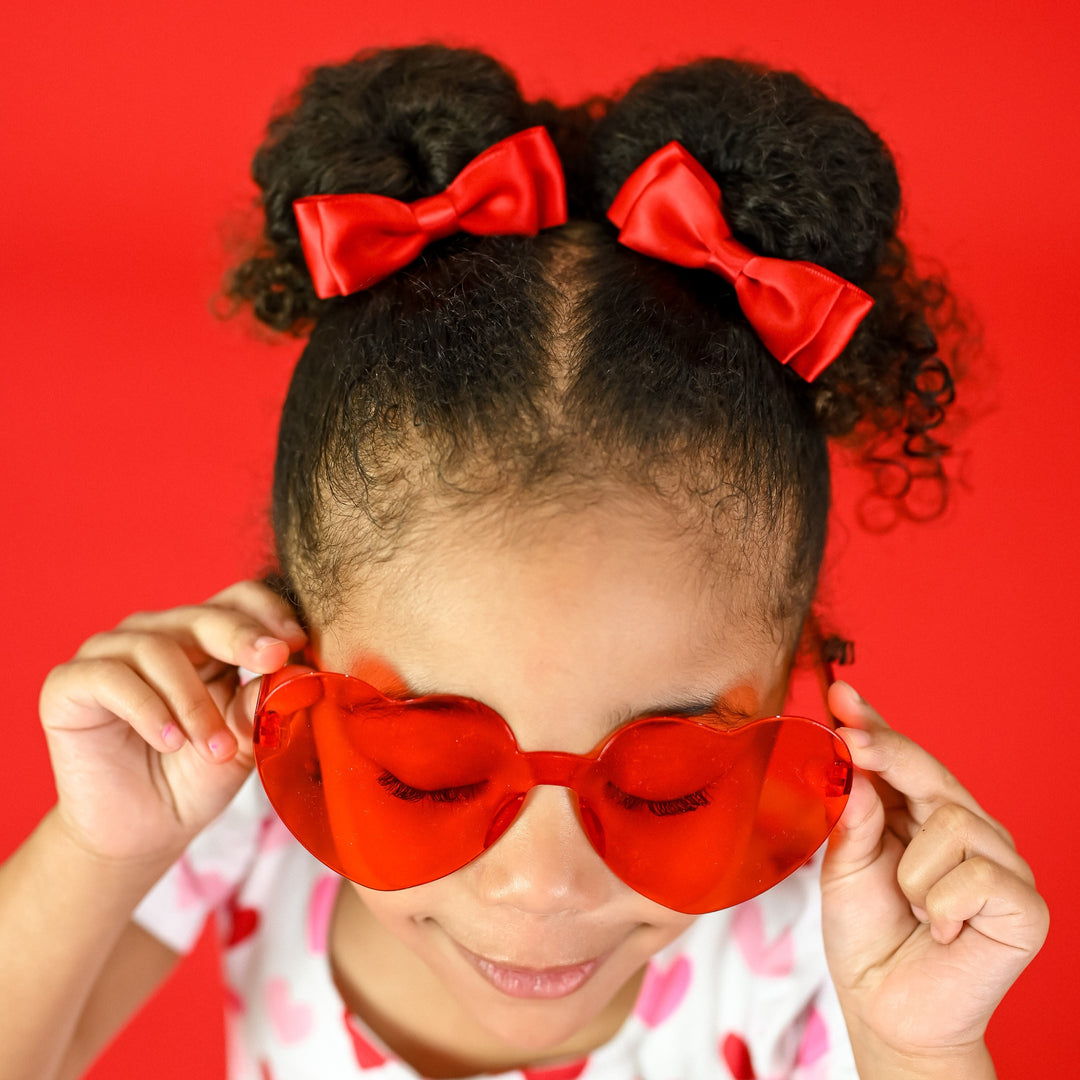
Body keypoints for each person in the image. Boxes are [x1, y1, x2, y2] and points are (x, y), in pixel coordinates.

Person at [0, 44, 1048, 1080]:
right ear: (289, 664)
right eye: (421, 777)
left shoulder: (819, 962)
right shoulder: (248, 824)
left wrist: (917, 1049)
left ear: (796, 689)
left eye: (670, 790)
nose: (543, 889)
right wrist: (101, 851)